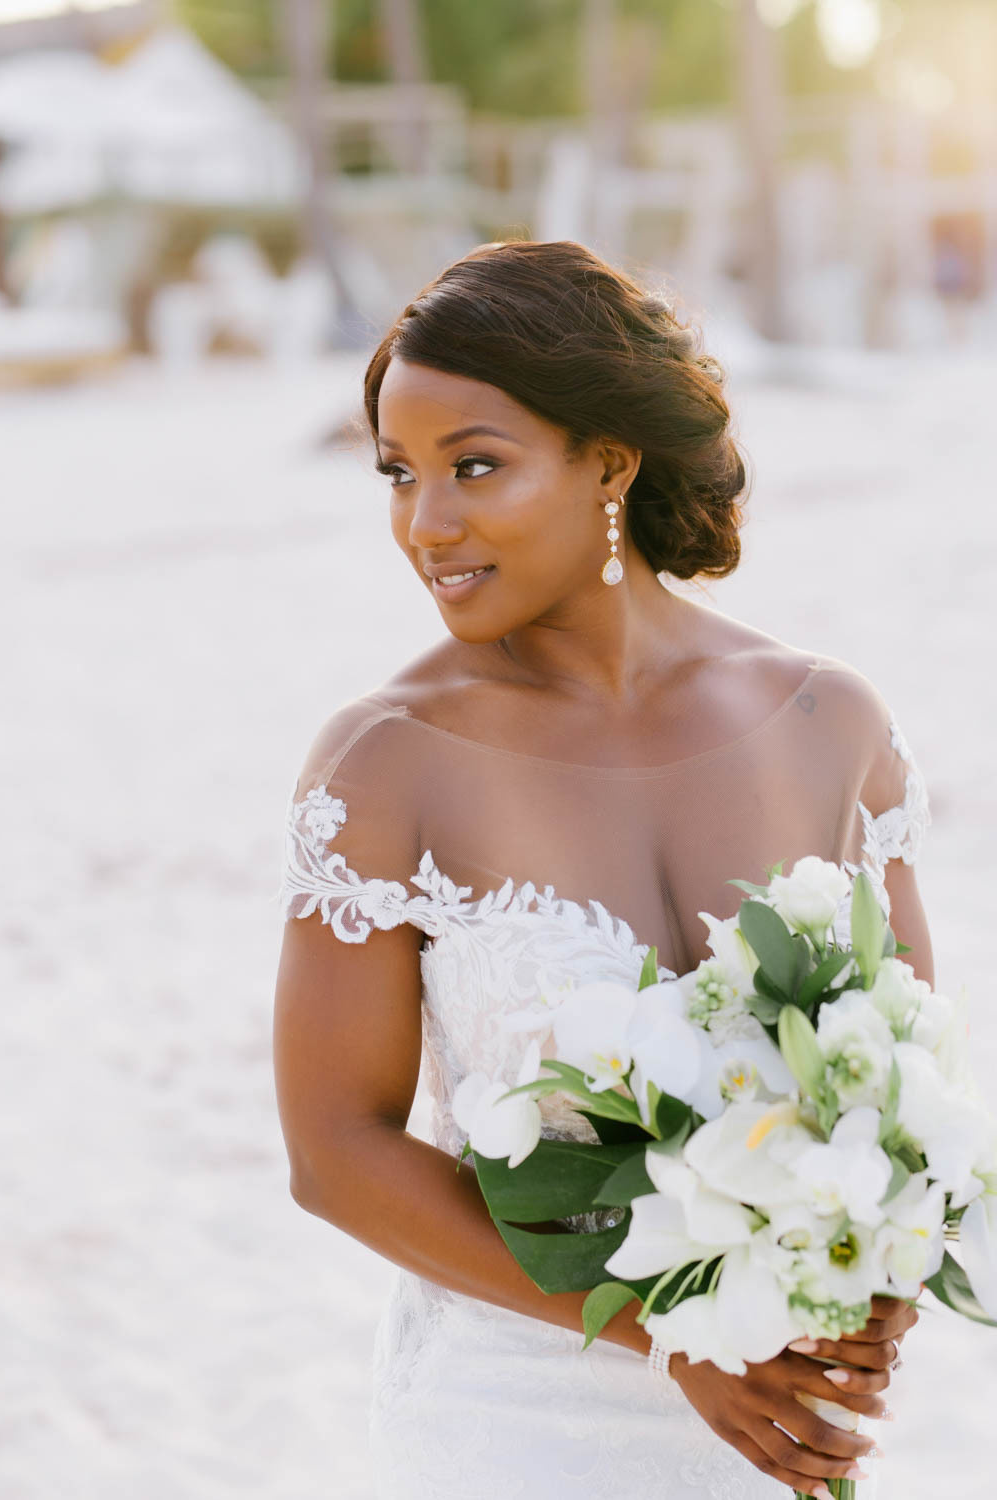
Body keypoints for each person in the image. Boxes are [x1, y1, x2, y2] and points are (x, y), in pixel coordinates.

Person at [273, 240, 928, 1499]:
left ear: (609, 462)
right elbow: (336, 1150)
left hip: (789, 1414)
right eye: (398, 476)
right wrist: (671, 1334)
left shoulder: (828, 721)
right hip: (513, 1414)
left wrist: (879, 1278)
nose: (427, 524)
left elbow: (897, 1085)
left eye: (474, 466)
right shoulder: (383, 764)